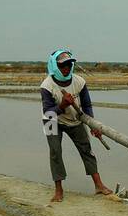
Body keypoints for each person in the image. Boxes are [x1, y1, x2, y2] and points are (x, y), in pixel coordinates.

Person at [40, 49, 112, 202]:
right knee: (55, 152)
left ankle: (99, 185)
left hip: (74, 119)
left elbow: (86, 105)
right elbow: (48, 112)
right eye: (62, 66)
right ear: (54, 66)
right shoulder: (47, 85)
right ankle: (58, 190)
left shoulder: (79, 82)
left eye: (69, 65)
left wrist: (93, 125)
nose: (66, 68)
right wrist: (63, 105)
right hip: (51, 120)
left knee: (86, 149)